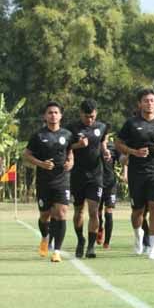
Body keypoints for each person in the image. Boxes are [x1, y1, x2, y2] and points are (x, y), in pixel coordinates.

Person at [116, 88, 154, 259]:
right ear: (139, 103)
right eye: (146, 100)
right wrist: (133, 152)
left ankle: (153, 248)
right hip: (136, 172)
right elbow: (118, 143)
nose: (149, 103)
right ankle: (138, 235)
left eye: (152, 100)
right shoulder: (131, 124)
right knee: (138, 211)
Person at [23, 102, 74, 262]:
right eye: (50, 112)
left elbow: (70, 152)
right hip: (44, 182)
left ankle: (57, 251)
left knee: (61, 212)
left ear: (61, 115)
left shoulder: (67, 135)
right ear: (45, 116)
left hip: (62, 180)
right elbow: (27, 154)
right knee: (45, 216)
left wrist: (70, 162)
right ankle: (45, 237)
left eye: (56, 112)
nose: (53, 115)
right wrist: (41, 164)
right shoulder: (38, 135)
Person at [68, 99, 109, 258]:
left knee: (94, 211)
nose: (89, 120)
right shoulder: (72, 128)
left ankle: (91, 247)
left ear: (96, 114)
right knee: (79, 211)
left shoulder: (102, 127)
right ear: (80, 114)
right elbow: (63, 147)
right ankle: (80, 240)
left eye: (92, 116)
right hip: (77, 175)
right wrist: (78, 145)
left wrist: (105, 150)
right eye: (86, 117)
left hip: (95, 176)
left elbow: (103, 140)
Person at [98, 139, 121, 249]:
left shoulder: (113, 147)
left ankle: (107, 242)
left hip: (110, 184)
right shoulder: (94, 146)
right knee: (97, 212)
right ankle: (99, 228)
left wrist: (124, 174)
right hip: (96, 183)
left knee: (109, 211)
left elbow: (123, 160)